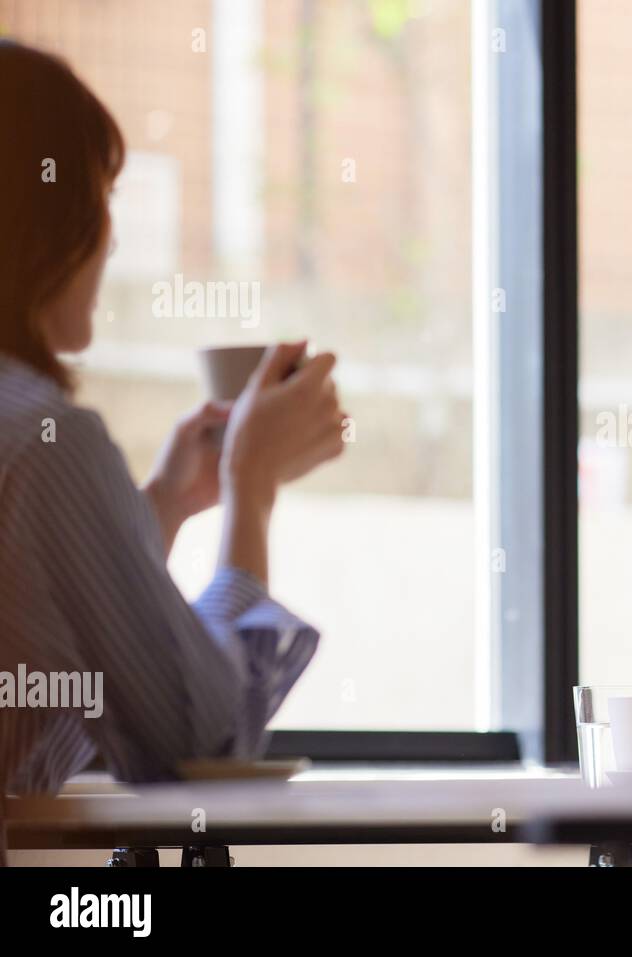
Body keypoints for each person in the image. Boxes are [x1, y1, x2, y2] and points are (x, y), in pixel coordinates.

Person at [0, 41, 346, 859]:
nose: (111, 239)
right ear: (50, 217)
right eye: (102, 195)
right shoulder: (46, 441)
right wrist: (251, 489)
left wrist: (160, 507)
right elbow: (199, 749)